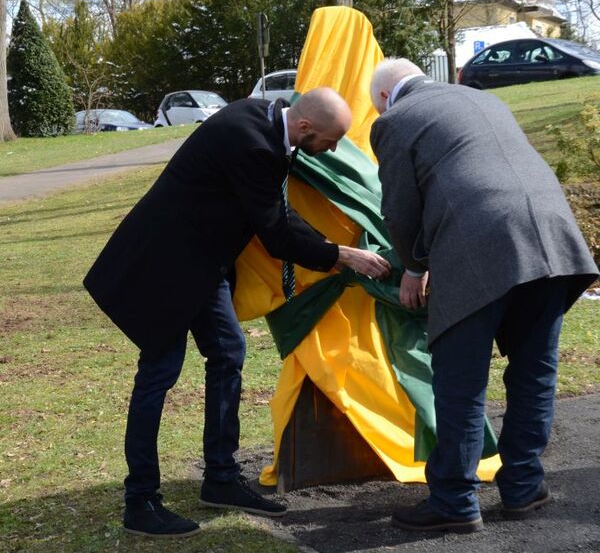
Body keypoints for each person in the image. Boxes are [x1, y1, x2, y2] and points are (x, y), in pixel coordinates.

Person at [83, 87, 391, 538]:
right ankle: (141, 500)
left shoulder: (263, 118)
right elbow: (276, 233)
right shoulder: (255, 145)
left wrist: (333, 247)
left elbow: (276, 212)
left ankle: (221, 478)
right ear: (304, 127)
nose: (333, 148)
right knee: (159, 374)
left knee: (228, 352)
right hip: (163, 268)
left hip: (203, 265)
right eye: (330, 140)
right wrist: (340, 255)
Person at [369, 58, 599, 533]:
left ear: (384, 98)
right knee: (534, 369)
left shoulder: (394, 121)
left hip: (480, 245)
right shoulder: (482, 97)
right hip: (553, 240)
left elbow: (399, 208)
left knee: (461, 380)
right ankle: (523, 487)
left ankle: (454, 501)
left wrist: (413, 268)